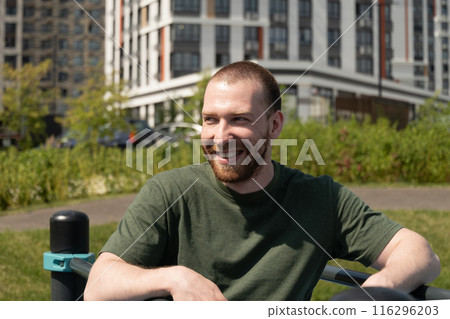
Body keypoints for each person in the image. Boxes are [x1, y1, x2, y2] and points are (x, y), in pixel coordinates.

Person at [84, 61, 440, 301]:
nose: (220, 137)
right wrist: (173, 278)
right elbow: (100, 284)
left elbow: (420, 254)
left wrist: (365, 298)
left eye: (239, 119)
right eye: (210, 120)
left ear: (274, 125)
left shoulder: (320, 199)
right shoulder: (169, 191)